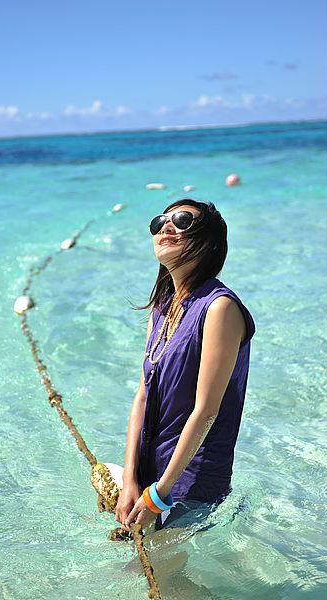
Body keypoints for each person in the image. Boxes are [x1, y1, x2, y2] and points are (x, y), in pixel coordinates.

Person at [114, 199, 255, 534]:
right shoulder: (162, 307)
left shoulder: (219, 308)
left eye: (181, 220)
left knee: (153, 577)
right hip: (151, 475)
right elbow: (142, 397)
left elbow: (206, 411)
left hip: (192, 483)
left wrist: (159, 496)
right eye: (160, 220)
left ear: (208, 242)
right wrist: (131, 480)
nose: (166, 226)